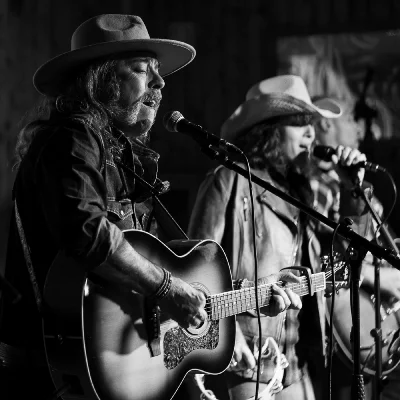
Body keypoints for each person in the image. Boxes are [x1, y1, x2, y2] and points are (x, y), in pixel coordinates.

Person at [0, 14, 299, 400]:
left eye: (158, 72)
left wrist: (247, 296)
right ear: (100, 80)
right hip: (50, 374)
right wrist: (168, 289)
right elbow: (88, 233)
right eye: (143, 70)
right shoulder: (72, 139)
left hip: (97, 371)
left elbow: (159, 265)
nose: (160, 83)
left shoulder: (119, 154)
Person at [188, 75, 373, 400]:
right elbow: (194, 273)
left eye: (312, 124)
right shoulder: (229, 181)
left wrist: (352, 190)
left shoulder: (300, 195)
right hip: (244, 359)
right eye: (299, 123)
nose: (311, 133)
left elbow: (349, 262)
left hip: (295, 359)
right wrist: (226, 336)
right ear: (269, 131)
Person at [312, 95, 400, 400]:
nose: (359, 130)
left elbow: (371, 242)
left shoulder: (347, 181)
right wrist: (382, 278)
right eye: (351, 119)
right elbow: (333, 257)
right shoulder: (317, 187)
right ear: (326, 124)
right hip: (342, 321)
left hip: (375, 313)